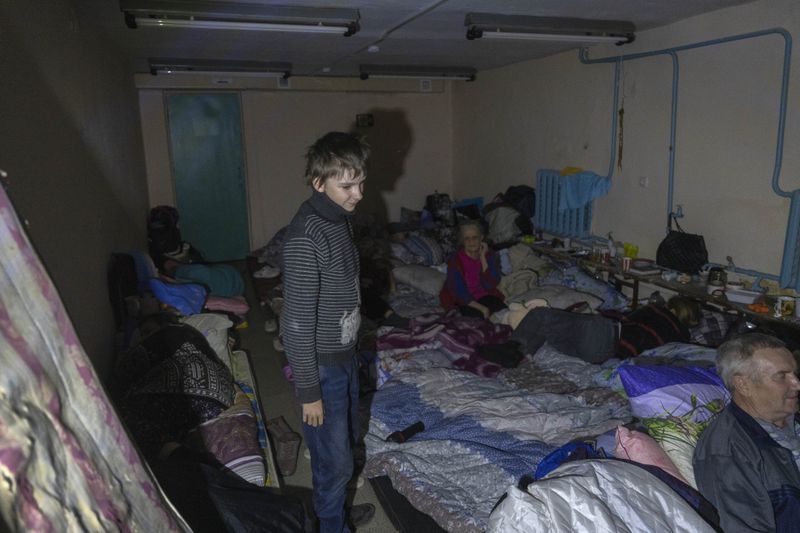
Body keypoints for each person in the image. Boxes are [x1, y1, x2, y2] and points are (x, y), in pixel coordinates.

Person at [280, 131, 374, 532]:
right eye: (347, 185)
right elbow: (295, 323)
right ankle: (331, 525)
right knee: (332, 463)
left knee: (348, 441)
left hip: (346, 357)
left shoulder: (338, 220)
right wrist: (309, 393)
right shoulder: (306, 236)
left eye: (361, 181)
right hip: (322, 369)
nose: (359, 194)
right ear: (319, 182)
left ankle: (337, 513)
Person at [693, 333, 800, 532]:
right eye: (781, 376)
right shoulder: (728, 451)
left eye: (795, 374)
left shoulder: (791, 418)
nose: (797, 384)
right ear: (743, 384)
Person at [439, 220, 506, 319]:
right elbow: (459, 292)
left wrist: (483, 258)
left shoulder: (489, 255)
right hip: (463, 302)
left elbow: (490, 284)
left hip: (485, 296)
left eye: (475, 237)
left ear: (481, 238)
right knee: (476, 322)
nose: (471, 242)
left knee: (504, 312)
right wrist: (482, 309)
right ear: (462, 240)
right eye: (467, 239)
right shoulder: (455, 261)